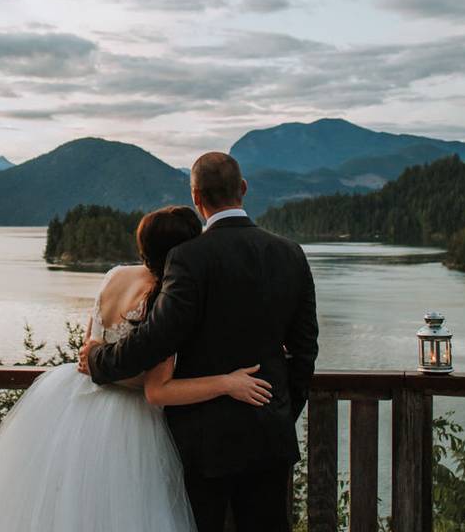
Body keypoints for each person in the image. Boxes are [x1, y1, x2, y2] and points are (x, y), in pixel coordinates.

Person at [0, 205, 273, 532]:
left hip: (72, 402)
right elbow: (155, 388)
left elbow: (89, 348)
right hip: (129, 421)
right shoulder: (166, 296)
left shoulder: (115, 275)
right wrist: (227, 382)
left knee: (66, 505)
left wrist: (98, 361)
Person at [81, 151, 319, 532]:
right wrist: (280, 409)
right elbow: (305, 349)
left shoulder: (188, 258)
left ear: (196, 197)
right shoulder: (290, 253)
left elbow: (156, 338)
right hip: (269, 435)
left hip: (202, 442)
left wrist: (97, 361)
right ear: (243, 189)